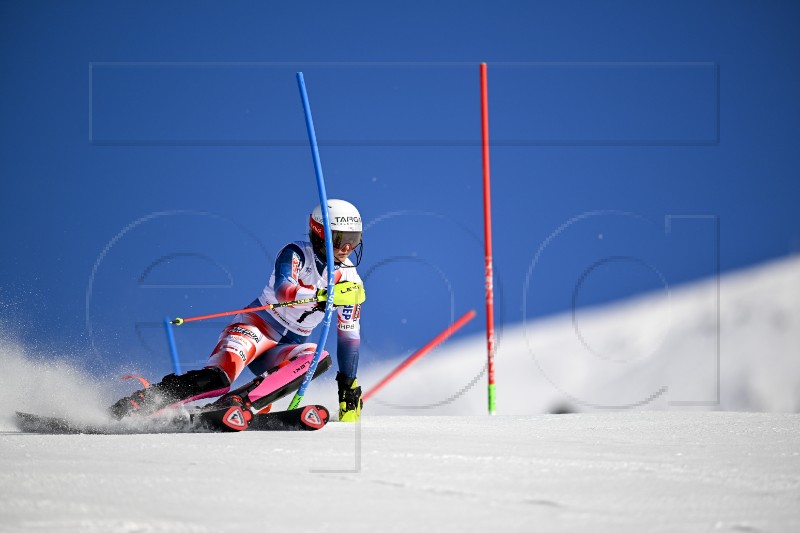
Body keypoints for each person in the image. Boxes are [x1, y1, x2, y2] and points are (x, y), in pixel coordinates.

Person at [110, 199, 367, 423]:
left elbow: (349, 336)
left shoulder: (351, 282)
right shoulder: (296, 252)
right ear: (319, 234)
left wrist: (348, 385)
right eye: (340, 239)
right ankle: (143, 402)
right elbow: (283, 290)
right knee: (218, 379)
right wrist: (320, 296)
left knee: (317, 358)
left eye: (353, 240)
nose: (347, 248)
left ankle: (238, 403)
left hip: (285, 347)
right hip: (256, 326)